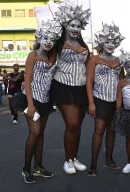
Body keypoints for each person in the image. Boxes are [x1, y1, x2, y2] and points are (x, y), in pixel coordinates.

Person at [13, 18, 63, 183]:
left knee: (40, 134)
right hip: (32, 99)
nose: (48, 42)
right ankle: (26, 168)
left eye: (52, 39)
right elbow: (26, 80)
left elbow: (56, 52)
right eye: (45, 38)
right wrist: (31, 104)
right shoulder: (32, 56)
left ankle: (38, 167)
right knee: (34, 133)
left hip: (45, 101)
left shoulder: (51, 58)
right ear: (40, 38)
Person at [50, 2, 91, 174]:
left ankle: (74, 158)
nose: (75, 28)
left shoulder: (84, 47)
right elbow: (49, 64)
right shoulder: (58, 44)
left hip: (81, 87)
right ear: (65, 26)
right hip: (63, 86)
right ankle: (67, 160)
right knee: (72, 124)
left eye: (78, 25)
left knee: (78, 126)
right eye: (71, 25)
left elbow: (90, 69)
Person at [86, 23, 125, 176]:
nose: (110, 45)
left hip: (115, 101)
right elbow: (89, 81)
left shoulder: (119, 61)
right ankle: (93, 164)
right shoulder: (94, 59)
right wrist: (91, 103)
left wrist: (121, 102)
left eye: (113, 42)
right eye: (107, 42)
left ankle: (109, 160)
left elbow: (122, 82)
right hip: (99, 99)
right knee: (99, 130)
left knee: (112, 130)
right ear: (102, 43)